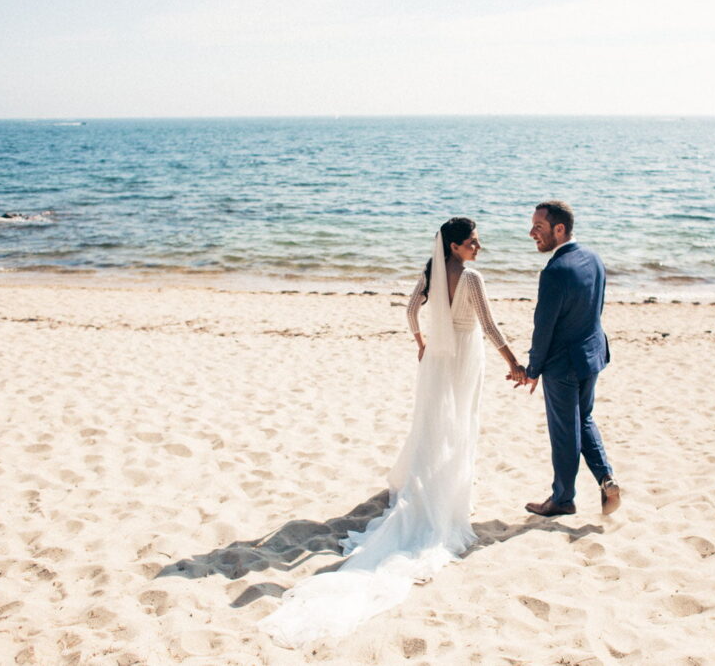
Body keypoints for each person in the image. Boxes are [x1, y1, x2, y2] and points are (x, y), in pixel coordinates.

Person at [260, 217, 523, 647]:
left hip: (437, 356)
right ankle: (448, 492)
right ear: (456, 246)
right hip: (464, 356)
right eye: (474, 242)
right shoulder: (471, 277)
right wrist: (512, 361)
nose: (480, 247)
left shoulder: (433, 271)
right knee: (459, 423)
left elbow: (409, 310)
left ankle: (426, 481)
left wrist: (421, 342)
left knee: (433, 423)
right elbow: (490, 326)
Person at [511, 201, 620, 516]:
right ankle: (606, 478)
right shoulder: (594, 259)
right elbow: (594, 307)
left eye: (539, 227)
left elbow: (543, 328)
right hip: (592, 355)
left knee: (564, 431)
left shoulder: (555, 271)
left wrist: (533, 369)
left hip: (563, 365)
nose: (532, 233)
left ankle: (562, 498)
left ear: (559, 229)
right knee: (583, 419)